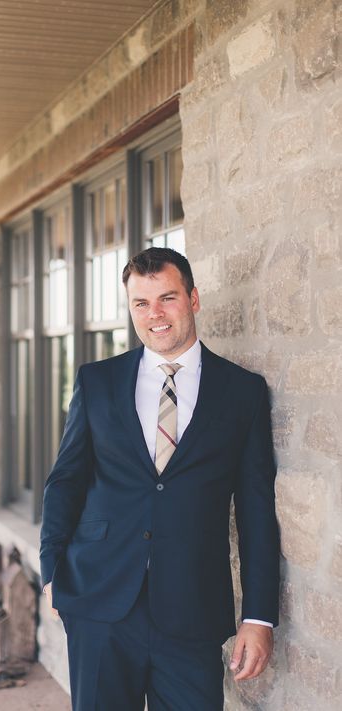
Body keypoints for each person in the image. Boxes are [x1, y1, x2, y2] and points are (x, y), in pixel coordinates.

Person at [40, 247, 280, 711]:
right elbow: (64, 481)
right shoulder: (97, 382)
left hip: (192, 610)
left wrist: (259, 616)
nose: (155, 315)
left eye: (167, 298)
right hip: (99, 602)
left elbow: (255, 511)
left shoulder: (242, 392)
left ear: (193, 299)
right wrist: (52, 572)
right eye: (141, 304)